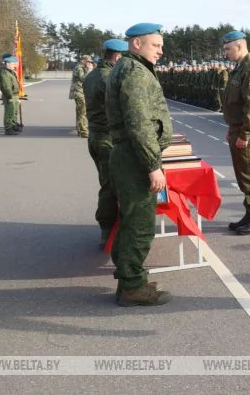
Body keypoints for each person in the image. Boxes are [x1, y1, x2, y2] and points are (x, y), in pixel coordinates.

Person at [106, 23, 172, 306]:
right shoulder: (134, 73)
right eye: (155, 45)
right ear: (136, 44)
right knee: (141, 226)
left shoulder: (128, 68)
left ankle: (128, 280)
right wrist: (152, 165)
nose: (160, 51)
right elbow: (139, 124)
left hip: (129, 155)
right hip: (135, 158)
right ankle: (133, 287)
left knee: (130, 221)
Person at [221, 31, 250, 236]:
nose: (225, 53)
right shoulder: (239, 68)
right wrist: (232, 128)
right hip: (237, 128)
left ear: (239, 46)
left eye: (227, 49)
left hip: (246, 130)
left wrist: (245, 134)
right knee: (242, 173)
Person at [84, 39, 127, 249]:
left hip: (95, 135)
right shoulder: (109, 77)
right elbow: (118, 110)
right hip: (108, 138)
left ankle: (109, 226)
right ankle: (107, 229)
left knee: (106, 182)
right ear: (118, 57)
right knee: (110, 185)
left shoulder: (91, 75)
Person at [69, 55, 94, 138]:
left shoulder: (82, 68)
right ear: (83, 61)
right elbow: (83, 78)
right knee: (83, 112)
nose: (89, 63)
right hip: (79, 92)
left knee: (80, 112)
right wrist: (90, 70)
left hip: (81, 92)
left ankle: (79, 129)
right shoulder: (79, 68)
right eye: (88, 61)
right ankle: (83, 132)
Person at [0, 55, 21, 135]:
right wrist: (9, 96)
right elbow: (6, 86)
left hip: (14, 94)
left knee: (14, 111)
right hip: (10, 95)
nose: (14, 65)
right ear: (8, 63)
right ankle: (8, 128)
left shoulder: (9, 71)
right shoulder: (4, 72)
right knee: (9, 112)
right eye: (13, 63)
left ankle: (13, 125)